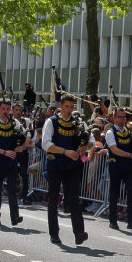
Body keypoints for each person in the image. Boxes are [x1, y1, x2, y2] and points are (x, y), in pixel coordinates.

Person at [40, 93, 89, 246]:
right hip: (55, 165)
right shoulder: (51, 121)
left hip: (72, 166)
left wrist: (85, 147)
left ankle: (79, 233)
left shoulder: (78, 123)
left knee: (74, 199)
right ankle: (54, 233)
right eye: (66, 106)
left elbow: (91, 141)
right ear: (60, 106)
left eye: (71, 107)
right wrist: (65, 151)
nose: (69, 109)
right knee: (53, 199)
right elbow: (45, 144)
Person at [0, 98, 25, 227]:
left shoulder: (15, 123)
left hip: (11, 161)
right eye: (3, 109)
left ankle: (15, 216)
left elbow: (24, 135)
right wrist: (4, 152)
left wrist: (21, 147)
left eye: (8, 109)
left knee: (13, 189)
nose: (5, 111)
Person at [105, 107, 132, 230]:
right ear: (114, 118)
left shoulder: (130, 132)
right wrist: (131, 155)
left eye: (124, 117)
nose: (122, 120)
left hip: (129, 167)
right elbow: (114, 149)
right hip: (116, 166)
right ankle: (113, 221)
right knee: (114, 193)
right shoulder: (110, 132)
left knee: (131, 193)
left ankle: (131, 221)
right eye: (119, 117)